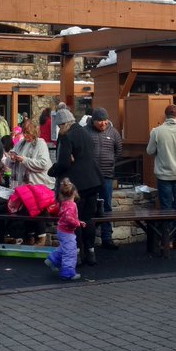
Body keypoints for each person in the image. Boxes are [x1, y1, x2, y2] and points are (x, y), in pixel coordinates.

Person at [50, 107, 102, 267]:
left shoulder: (67, 136)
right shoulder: (85, 132)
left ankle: (78, 254)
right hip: (93, 181)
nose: (59, 129)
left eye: (59, 126)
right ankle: (91, 253)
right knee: (88, 219)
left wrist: (52, 170)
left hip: (77, 185)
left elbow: (64, 163)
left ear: (63, 124)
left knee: (75, 220)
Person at [147, 104, 176, 248]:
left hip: (164, 174)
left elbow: (150, 151)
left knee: (166, 207)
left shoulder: (157, 132)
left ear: (165, 115)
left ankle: (168, 239)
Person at [87, 108, 122, 250]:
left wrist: (111, 162)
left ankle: (107, 237)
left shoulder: (113, 132)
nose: (103, 123)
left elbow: (118, 151)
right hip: (90, 175)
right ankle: (89, 239)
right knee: (89, 207)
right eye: (100, 121)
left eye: (105, 120)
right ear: (93, 120)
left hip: (107, 174)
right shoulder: (86, 131)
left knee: (106, 206)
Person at [44, 177, 85, 281]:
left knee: (64, 248)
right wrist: (77, 223)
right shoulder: (72, 205)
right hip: (68, 232)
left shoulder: (63, 203)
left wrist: (78, 221)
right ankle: (68, 273)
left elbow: (67, 216)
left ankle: (53, 260)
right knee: (70, 252)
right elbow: (69, 218)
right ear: (74, 193)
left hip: (62, 230)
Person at [3, 119, 54, 189]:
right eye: (24, 132)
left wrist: (24, 160)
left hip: (40, 186)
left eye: (27, 132)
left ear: (34, 132)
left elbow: (43, 164)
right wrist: (12, 158)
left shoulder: (40, 143)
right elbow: (8, 162)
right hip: (25, 186)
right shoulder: (21, 143)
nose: (24, 135)